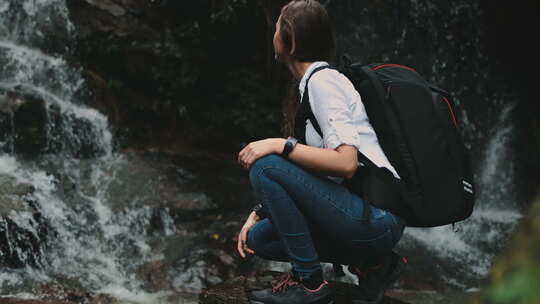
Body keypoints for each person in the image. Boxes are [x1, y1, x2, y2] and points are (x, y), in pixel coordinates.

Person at [236, 1, 406, 303]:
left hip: (378, 217)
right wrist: (257, 213)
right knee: (259, 238)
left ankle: (309, 284)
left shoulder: (324, 83)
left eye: (277, 28)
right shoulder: (308, 88)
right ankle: (374, 264)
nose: (272, 35)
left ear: (291, 41)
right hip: (359, 213)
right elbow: (305, 175)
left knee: (265, 166)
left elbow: (346, 163)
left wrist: (279, 144)